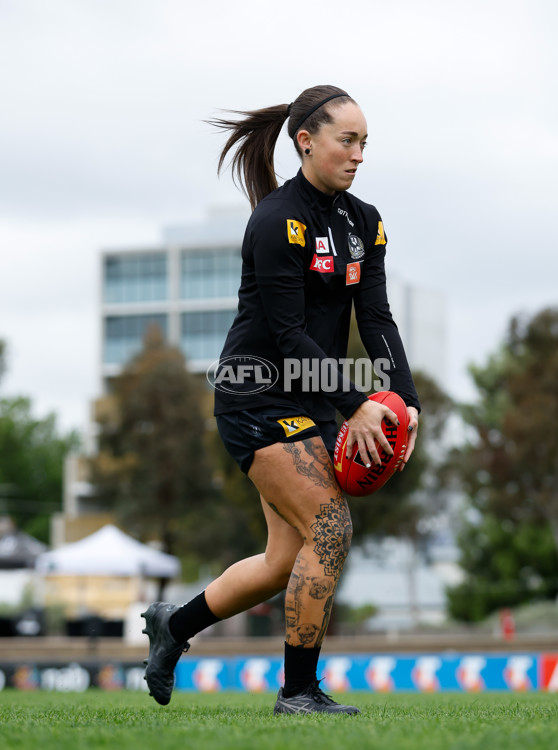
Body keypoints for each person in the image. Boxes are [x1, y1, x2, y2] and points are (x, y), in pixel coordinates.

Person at [142, 84, 420, 715]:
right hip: (254, 395)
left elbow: (375, 319)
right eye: (346, 141)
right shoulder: (274, 221)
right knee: (329, 527)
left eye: (364, 143)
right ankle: (298, 692)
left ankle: (172, 627)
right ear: (306, 142)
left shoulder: (364, 222)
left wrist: (406, 403)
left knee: (281, 561)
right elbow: (290, 335)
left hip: (311, 397)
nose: (358, 155)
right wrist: (357, 403)